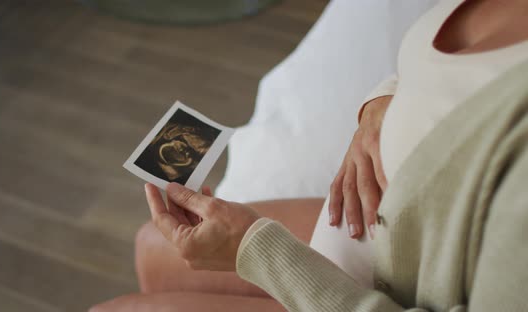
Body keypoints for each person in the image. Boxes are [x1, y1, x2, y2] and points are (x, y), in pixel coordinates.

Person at [91, 0, 528, 310]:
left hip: (385, 295)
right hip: (373, 233)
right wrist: (378, 105)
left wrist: (254, 249)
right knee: (152, 245)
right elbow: (436, 76)